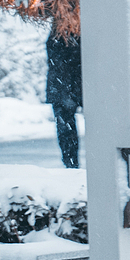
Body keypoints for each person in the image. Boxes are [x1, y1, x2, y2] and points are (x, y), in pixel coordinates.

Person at [45, 18, 82, 169]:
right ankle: (72, 166)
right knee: (67, 129)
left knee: (66, 129)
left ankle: (71, 166)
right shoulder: (62, 30)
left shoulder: (57, 30)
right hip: (68, 85)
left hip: (62, 85)